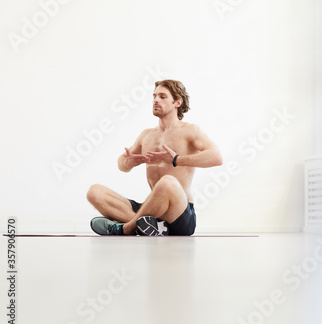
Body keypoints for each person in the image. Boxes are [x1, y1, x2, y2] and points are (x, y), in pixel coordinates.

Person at [87, 79, 223, 236]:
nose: (155, 100)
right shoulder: (147, 135)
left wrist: (177, 160)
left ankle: (127, 228)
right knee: (94, 192)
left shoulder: (190, 130)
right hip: (152, 210)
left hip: (179, 214)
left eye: (162, 96)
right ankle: (151, 226)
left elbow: (216, 157)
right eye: (154, 96)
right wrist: (128, 162)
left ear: (177, 102)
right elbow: (121, 164)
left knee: (168, 182)